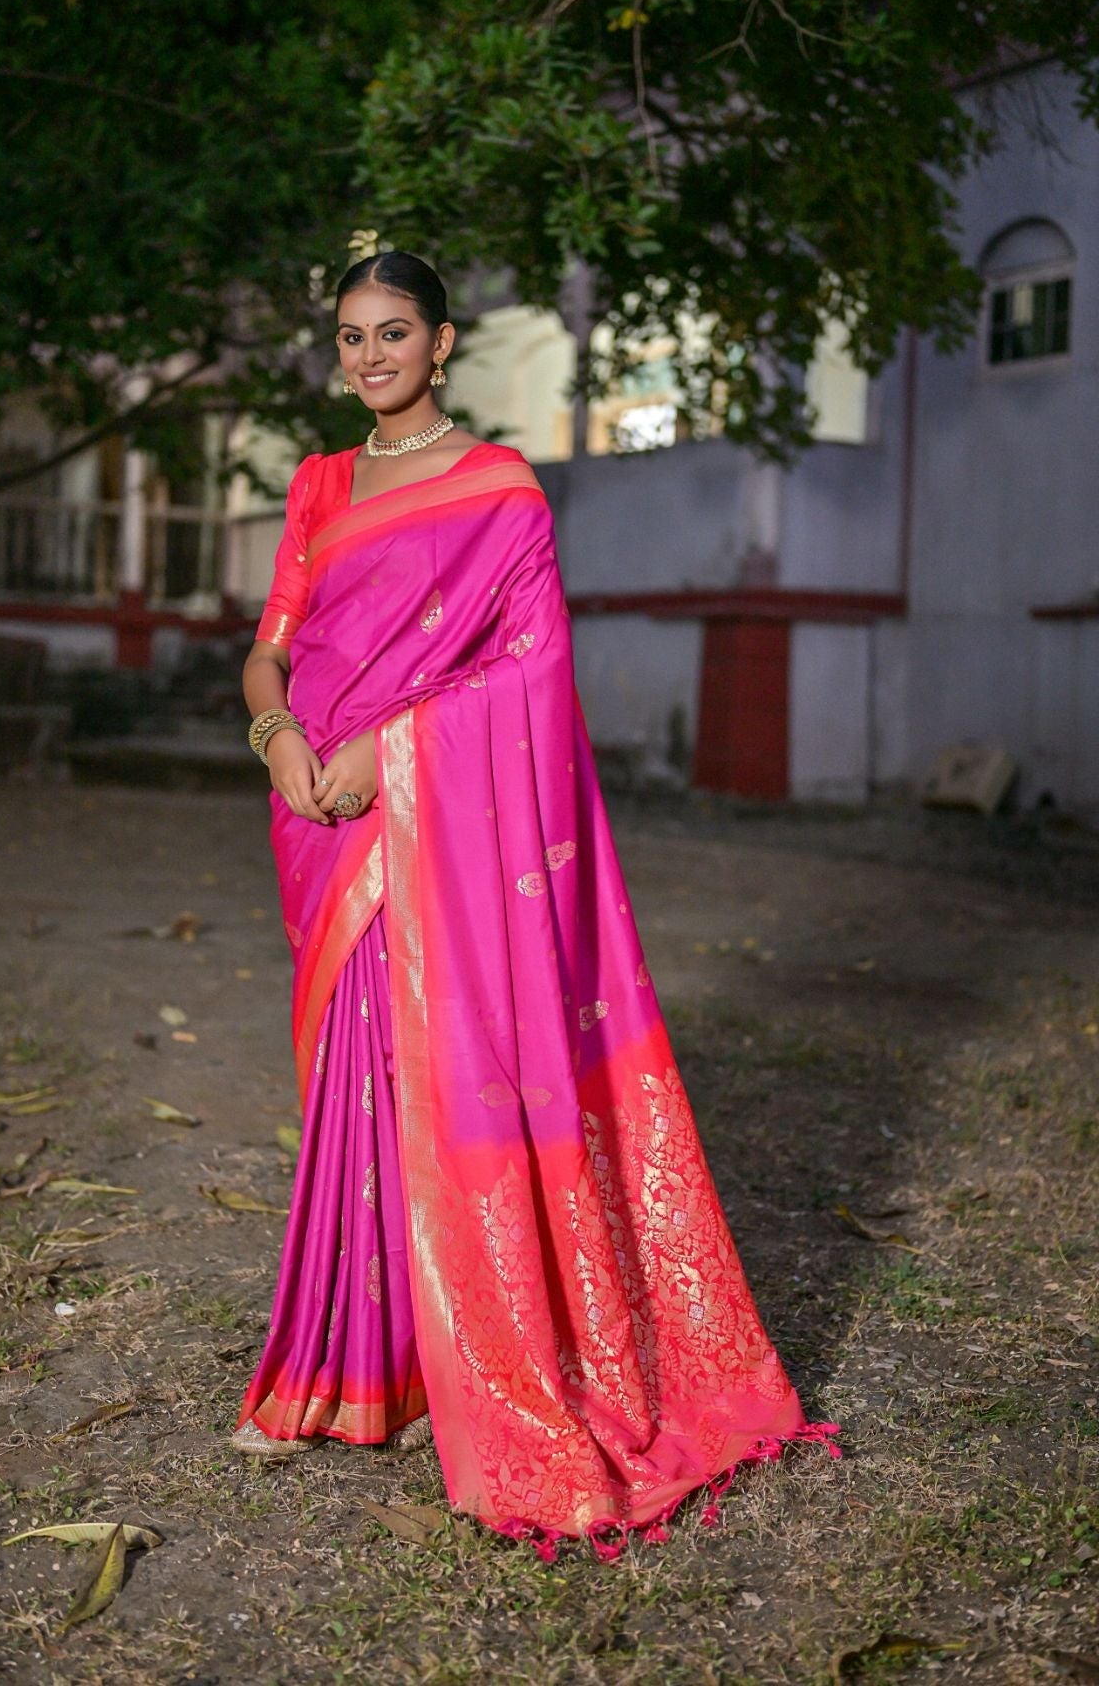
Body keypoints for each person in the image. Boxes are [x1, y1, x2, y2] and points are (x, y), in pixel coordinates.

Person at [232, 250, 838, 1562]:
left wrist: (387, 760)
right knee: (348, 1083)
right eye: (351, 336)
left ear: (442, 344)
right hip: (314, 813)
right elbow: (272, 637)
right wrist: (275, 730)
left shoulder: (500, 490)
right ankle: (352, 1375)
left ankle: (440, 1373)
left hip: (413, 814)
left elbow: (530, 675)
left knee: (423, 1075)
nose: (371, 355)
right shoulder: (321, 483)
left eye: (395, 333)